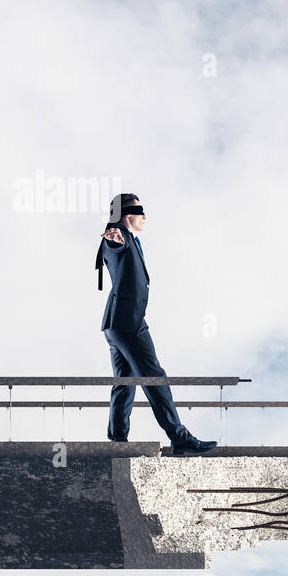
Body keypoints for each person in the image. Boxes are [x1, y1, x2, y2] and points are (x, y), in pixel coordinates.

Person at [94, 193, 217, 455]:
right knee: (155, 378)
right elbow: (113, 247)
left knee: (125, 381)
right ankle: (179, 437)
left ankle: (117, 439)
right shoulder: (119, 236)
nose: (145, 217)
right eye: (141, 212)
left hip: (118, 323)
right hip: (128, 323)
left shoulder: (131, 240)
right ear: (129, 213)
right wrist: (113, 240)